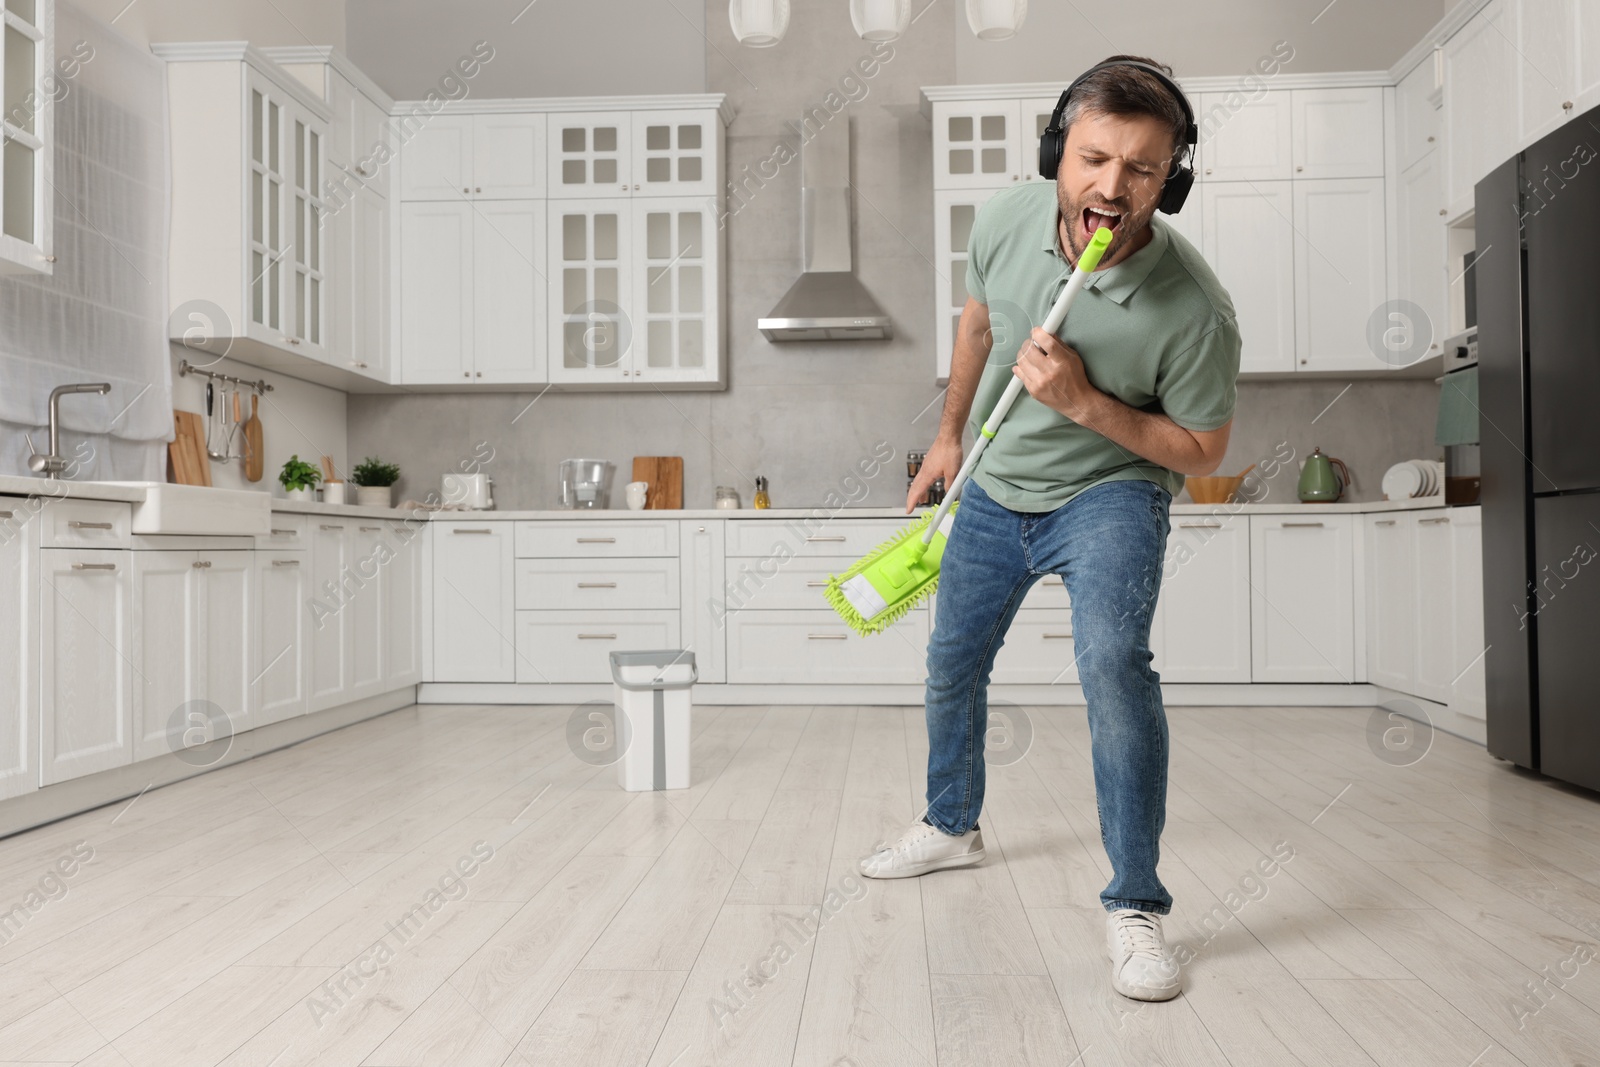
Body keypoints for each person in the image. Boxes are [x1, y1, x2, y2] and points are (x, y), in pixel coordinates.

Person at [857, 55, 1241, 1004]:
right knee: (952, 659)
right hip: (992, 484)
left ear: (1172, 180)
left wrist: (1084, 402)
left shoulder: (1195, 309)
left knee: (1114, 666)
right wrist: (948, 437)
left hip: (1111, 490)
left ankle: (1136, 905)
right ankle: (952, 824)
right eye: (1093, 158)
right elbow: (980, 325)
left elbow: (1199, 452)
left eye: (1143, 170)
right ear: (1056, 155)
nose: (1111, 188)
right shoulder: (1003, 219)